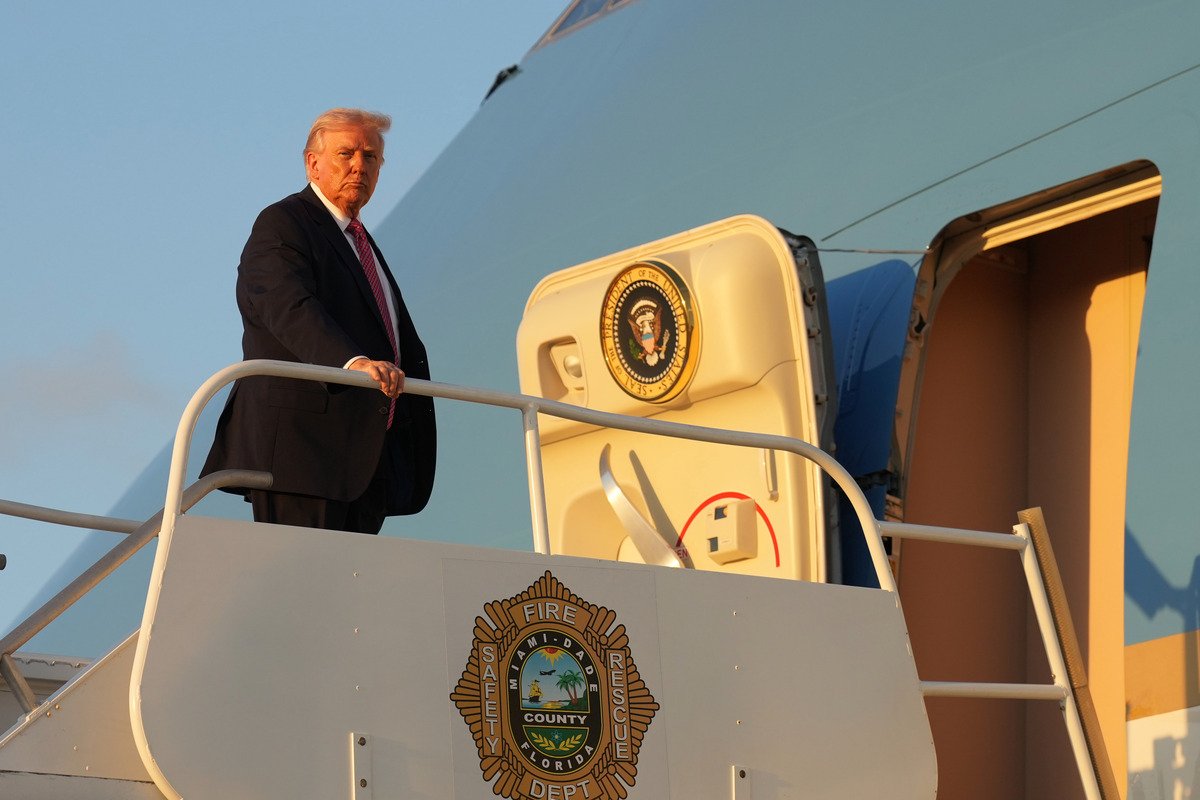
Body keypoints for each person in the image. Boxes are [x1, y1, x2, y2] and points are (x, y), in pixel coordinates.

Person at [201, 108, 435, 534]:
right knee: (302, 576)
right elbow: (286, 306)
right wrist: (352, 362)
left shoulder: (361, 242)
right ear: (313, 163)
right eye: (346, 153)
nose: (359, 166)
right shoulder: (283, 223)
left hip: (366, 457)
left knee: (353, 577)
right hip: (303, 452)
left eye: (370, 156)